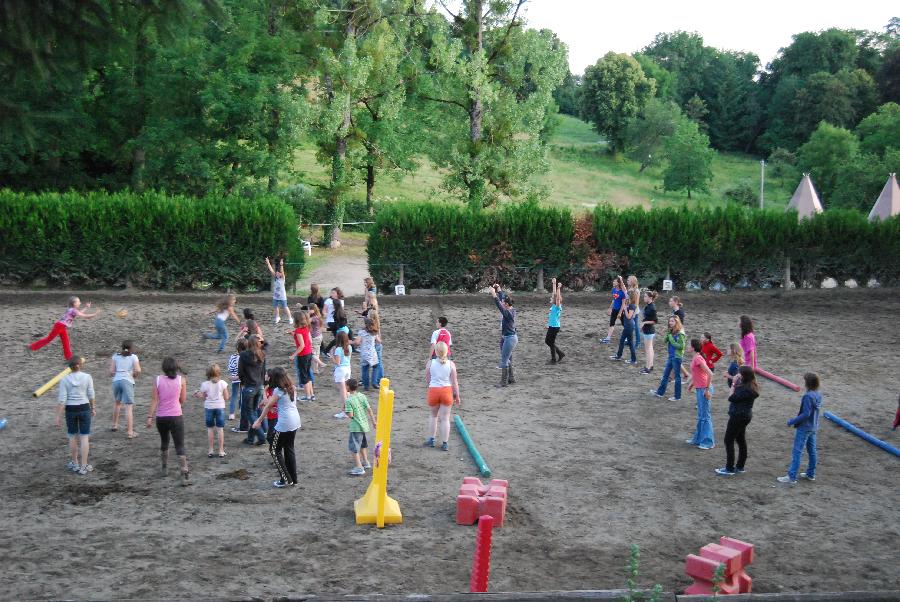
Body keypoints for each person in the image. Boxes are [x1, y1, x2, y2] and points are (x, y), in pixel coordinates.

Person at [253, 367, 301, 488]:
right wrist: (277, 408)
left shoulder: (278, 391)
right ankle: (293, 479)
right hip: (295, 421)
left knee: (274, 450)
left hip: (284, 424)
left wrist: (259, 421)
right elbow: (287, 405)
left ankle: (285, 479)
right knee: (289, 449)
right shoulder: (292, 388)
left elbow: (268, 406)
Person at [146, 357, 190, 484]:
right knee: (179, 445)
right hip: (176, 416)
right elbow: (182, 400)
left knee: (164, 442)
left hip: (161, 417)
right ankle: (184, 473)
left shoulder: (158, 380)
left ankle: (164, 468)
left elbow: (154, 400)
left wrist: (149, 417)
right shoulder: (181, 380)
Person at [778, 372, 823, 485]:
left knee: (797, 452)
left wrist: (792, 421)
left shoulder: (808, 396)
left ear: (807, 383)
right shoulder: (818, 394)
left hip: (804, 427)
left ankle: (791, 477)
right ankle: (810, 474)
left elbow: (806, 414)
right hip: (813, 426)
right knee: (812, 451)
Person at [715, 366, 759, 476]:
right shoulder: (751, 387)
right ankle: (740, 466)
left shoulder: (744, 388)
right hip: (745, 416)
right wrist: (733, 381)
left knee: (728, 440)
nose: (737, 375)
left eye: (739, 374)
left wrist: (734, 383)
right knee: (740, 440)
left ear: (743, 376)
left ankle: (729, 468)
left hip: (737, 416)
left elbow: (731, 397)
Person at [57, 356, 95, 475]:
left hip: (70, 410)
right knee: (84, 437)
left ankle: (75, 463)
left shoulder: (64, 380)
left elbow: (62, 400)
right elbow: (91, 394)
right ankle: (84, 466)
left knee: (72, 436)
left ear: (69, 368)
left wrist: (58, 416)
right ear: (81, 365)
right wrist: (93, 408)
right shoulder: (87, 377)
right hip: (84, 408)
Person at [30, 296, 100, 360]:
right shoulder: (73, 310)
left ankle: (69, 357)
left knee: (66, 341)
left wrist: (86, 308)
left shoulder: (72, 309)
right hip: (59, 326)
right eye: (78, 301)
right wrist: (95, 314)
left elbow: (79, 313)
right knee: (48, 339)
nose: (80, 303)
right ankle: (31, 347)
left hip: (62, 327)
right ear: (74, 303)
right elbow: (84, 316)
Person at [425, 341, 460, 451]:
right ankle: (445, 443)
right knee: (445, 419)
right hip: (446, 391)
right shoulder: (451, 364)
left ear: (435, 351)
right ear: (447, 351)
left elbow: (428, 379)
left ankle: (431, 439)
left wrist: (432, 386)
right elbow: (454, 382)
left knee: (433, 416)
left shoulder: (430, 363)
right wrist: (457, 395)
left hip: (434, 390)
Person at [194, 364, 229, 458]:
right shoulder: (223, 383)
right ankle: (221, 451)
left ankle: (210, 450)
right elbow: (226, 397)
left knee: (210, 429)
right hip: (220, 407)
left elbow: (202, 397)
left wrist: (197, 393)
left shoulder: (205, 384)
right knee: (220, 429)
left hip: (209, 407)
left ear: (208, 374)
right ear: (219, 373)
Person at [238, 335, 267, 446]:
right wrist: (261, 338)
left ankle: (261, 436)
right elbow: (263, 372)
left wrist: (243, 382)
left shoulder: (244, 355)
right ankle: (250, 438)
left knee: (250, 413)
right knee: (254, 412)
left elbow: (240, 372)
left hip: (249, 387)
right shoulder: (262, 354)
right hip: (259, 386)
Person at [686, 339, 715, 450]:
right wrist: (692, 384)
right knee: (701, 416)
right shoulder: (696, 358)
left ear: (693, 347)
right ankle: (698, 439)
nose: (688, 346)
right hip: (700, 389)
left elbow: (710, 374)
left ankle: (708, 442)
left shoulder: (698, 358)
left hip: (704, 389)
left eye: (689, 345)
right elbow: (697, 373)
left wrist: (707, 390)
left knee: (705, 417)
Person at [108, 340, 141, 438]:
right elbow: (138, 370)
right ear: (131, 348)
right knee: (128, 407)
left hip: (116, 381)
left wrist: (118, 373)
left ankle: (114, 425)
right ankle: (130, 432)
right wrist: (134, 375)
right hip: (127, 381)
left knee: (117, 403)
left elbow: (111, 371)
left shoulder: (116, 356)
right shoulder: (133, 357)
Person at [345, 379, 377, 475]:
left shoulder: (349, 400)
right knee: (363, 445)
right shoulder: (362, 396)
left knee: (354, 448)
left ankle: (359, 467)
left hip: (356, 427)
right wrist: (374, 422)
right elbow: (369, 409)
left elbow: (350, 415)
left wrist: (346, 411)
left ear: (348, 387)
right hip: (364, 425)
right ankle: (366, 462)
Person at [652, 316, 686, 401]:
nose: (670, 323)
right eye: (669, 321)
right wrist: (668, 334)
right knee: (665, 375)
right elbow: (664, 341)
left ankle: (677, 396)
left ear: (676, 322)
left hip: (676, 357)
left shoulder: (680, 333)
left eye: (672, 321)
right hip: (671, 356)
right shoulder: (672, 332)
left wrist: (671, 338)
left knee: (677, 377)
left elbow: (681, 346)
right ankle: (660, 393)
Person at [490, 284, 517, 387]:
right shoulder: (511, 309)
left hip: (509, 339)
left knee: (505, 359)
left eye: (503, 303)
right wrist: (499, 289)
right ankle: (511, 378)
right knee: (508, 357)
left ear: (506, 304)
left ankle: (503, 382)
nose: (502, 303)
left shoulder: (507, 313)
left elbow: (498, 304)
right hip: (508, 337)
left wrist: (493, 294)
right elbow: (502, 299)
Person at [290, 311, 315, 402]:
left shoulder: (298, 331)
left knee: (304, 376)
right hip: (309, 353)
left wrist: (293, 355)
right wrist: (294, 335)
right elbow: (309, 341)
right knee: (308, 374)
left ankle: (307, 396)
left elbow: (301, 345)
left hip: (303, 355)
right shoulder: (306, 328)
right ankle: (311, 395)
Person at [610, 289, 638, 364]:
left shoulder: (632, 306)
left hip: (628, 326)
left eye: (627, 295)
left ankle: (619, 356)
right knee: (630, 343)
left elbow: (629, 316)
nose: (626, 296)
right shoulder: (630, 304)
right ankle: (632, 359)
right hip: (628, 325)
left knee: (623, 341)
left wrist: (625, 309)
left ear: (630, 296)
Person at [353, 317, 380, 391]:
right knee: (376, 366)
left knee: (365, 369)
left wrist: (352, 342)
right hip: (372, 352)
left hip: (364, 353)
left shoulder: (362, 332)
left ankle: (366, 386)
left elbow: (357, 342)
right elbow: (379, 341)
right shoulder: (374, 332)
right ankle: (374, 382)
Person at [265, 256, 290, 325]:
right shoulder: (275, 278)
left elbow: (282, 271)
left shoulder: (282, 278)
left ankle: (290, 318)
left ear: (281, 274)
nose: (277, 273)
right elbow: (271, 270)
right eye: (276, 272)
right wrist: (268, 263)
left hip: (282, 296)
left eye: (278, 273)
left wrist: (281, 265)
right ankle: (277, 317)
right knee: (275, 307)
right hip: (276, 296)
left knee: (285, 307)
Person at [227, 339, 247, 424]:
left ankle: (231, 413)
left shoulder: (233, 356)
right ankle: (241, 411)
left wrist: (233, 374)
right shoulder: (246, 357)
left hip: (234, 378)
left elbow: (230, 368)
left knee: (234, 396)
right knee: (243, 395)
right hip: (243, 378)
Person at [602, 276, 626, 344]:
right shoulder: (614, 290)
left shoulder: (622, 292)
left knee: (624, 324)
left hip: (621, 310)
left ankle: (627, 338)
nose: (613, 282)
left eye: (615, 281)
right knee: (611, 323)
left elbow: (623, 304)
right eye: (613, 281)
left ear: (618, 283)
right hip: (614, 309)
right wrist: (610, 307)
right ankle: (608, 338)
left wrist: (620, 313)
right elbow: (614, 300)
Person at [545, 279, 565, 364]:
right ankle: (560, 354)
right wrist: (554, 284)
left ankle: (554, 359)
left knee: (550, 342)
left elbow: (557, 297)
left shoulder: (557, 306)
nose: (551, 297)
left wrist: (559, 288)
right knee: (549, 342)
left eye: (552, 298)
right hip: (552, 326)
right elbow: (554, 294)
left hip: (554, 327)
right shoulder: (554, 305)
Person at [332, 330, 352, 410]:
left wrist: (331, 356)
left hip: (341, 370)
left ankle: (345, 410)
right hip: (348, 368)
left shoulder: (338, 349)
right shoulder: (349, 347)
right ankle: (349, 407)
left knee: (343, 391)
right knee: (347, 390)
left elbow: (337, 363)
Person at [640, 290, 658, 374]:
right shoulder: (648, 306)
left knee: (648, 349)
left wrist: (644, 323)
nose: (644, 298)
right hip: (648, 330)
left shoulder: (652, 307)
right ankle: (650, 365)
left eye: (645, 297)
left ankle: (648, 367)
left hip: (649, 330)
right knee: (650, 349)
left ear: (650, 298)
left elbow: (655, 321)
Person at [308, 303, 328, 375]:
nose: (308, 310)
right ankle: (315, 370)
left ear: (313, 310)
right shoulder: (318, 316)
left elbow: (306, 321)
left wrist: (307, 314)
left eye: (309, 309)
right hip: (319, 336)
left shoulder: (313, 318)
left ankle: (321, 363)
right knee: (316, 353)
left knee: (311, 353)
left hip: (314, 337)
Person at [626, 275, 641, 348]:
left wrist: (634, 313)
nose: (627, 281)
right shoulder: (629, 289)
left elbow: (636, 303)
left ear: (632, 281)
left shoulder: (636, 290)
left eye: (628, 280)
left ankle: (638, 342)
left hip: (634, 310)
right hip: (630, 309)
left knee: (635, 327)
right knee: (630, 326)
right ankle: (629, 341)